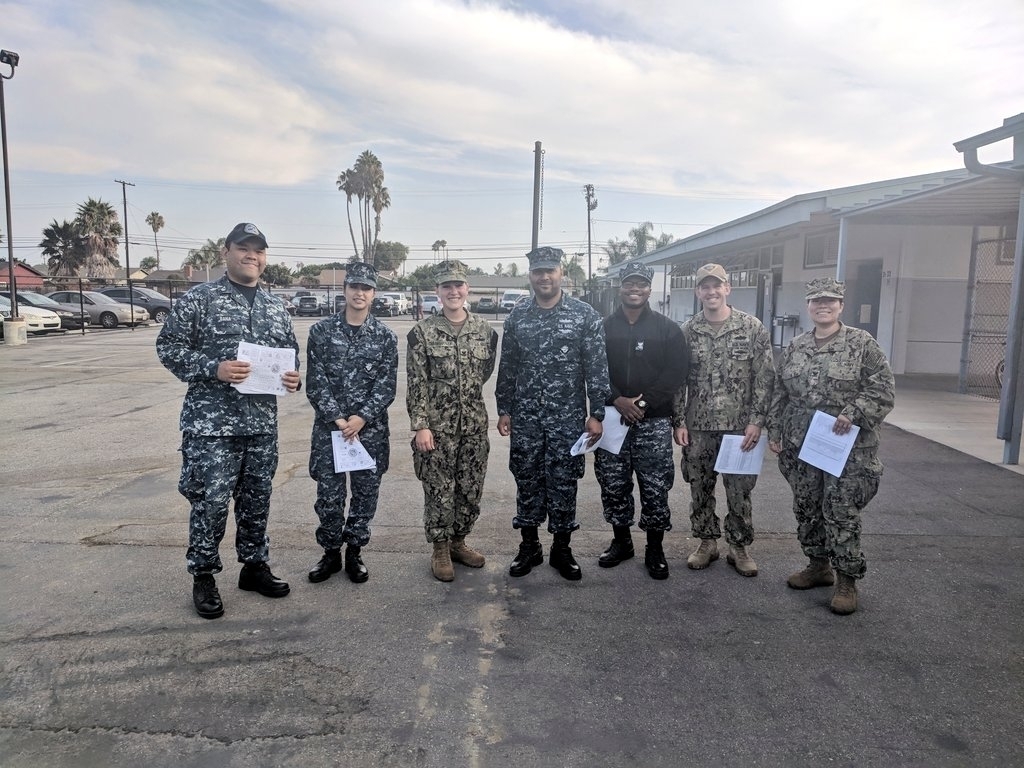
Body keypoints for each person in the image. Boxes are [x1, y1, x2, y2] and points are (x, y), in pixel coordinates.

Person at [156, 222, 301, 620]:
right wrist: (212, 367)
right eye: (244, 248)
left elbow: (289, 354)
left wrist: (294, 376)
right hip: (212, 428)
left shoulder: (274, 306)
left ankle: (254, 567)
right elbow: (167, 347)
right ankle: (203, 575)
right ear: (227, 252)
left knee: (257, 501)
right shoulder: (199, 300)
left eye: (258, 250)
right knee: (210, 504)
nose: (251, 256)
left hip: (260, 426)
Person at [768, 277, 895, 615]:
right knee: (807, 507)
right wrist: (775, 430)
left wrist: (852, 413)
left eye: (830, 301)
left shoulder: (862, 343)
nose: (822, 306)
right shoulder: (796, 346)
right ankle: (818, 565)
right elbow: (780, 392)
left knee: (840, 511)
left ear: (840, 305)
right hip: (802, 444)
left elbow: (883, 391)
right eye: (816, 301)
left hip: (846, 449)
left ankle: (847, 580)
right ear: (808, 306)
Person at [495, 246, 610, 581]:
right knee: (527, 479)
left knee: (563, 482)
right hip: (527, 418)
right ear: (530, 276)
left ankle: (562, 548)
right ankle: (529, 546)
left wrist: (597, 413)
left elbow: (596, 368)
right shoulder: (518, 316)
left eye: (550, 270)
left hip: (568, 418)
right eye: (538, 271)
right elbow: (509, 367)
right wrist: (504, 408)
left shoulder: (584, 315)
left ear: (562, 273)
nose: (544, 277)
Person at [673, 263, 774, 577]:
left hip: (739, 428)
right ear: (698, 292)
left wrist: (757, 421)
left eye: (717, 285)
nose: (711, 291)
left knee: (739, 491)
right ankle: (706, 542)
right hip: (699, 426)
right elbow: (679, 380)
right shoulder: (688, 330)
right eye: (705, 286)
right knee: (699, 487)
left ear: (727, 288)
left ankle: (739, 547)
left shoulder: (751, 327)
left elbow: (765, 378)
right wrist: (679, 421)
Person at [305, 261, 398, 585]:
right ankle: (330, 552)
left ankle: (354, 552)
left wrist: (361, 417)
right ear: (344, 290)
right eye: (355, 287)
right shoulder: (321, 332)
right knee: (328, 497)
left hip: (369, 430)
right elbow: (315, 381)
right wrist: (340, 419)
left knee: (364, 494)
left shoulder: (385, 336)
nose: (360, 293)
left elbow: (387, 384)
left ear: (374, 294)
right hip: (331, 429)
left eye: (367, 288)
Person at [596, 261, 690, 579]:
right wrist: (618, 399)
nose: (634, 289)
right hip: (612, 417)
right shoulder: (604, 327)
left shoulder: (667, 329)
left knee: (654, 485)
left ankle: (655, 548)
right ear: (620, 287)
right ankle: (622, 542)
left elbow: (676, 373)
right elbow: (594, 370)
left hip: (653, 420)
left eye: (641, 284)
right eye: (628, 284)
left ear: (650, 289)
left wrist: (644, 402)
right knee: (613, 483)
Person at [407, 260, 499, 581]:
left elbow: (482, 376)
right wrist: (420, 425)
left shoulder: (485, 331)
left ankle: (459, 541)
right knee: (439, 488)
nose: (453, 291)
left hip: (474, 427)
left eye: (458, 285)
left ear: (467, 289)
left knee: (470, 488)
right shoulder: (422, 332)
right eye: (446, 286)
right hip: (436, 429)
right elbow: (416, 382)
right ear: (437, 291)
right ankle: (440, 547)